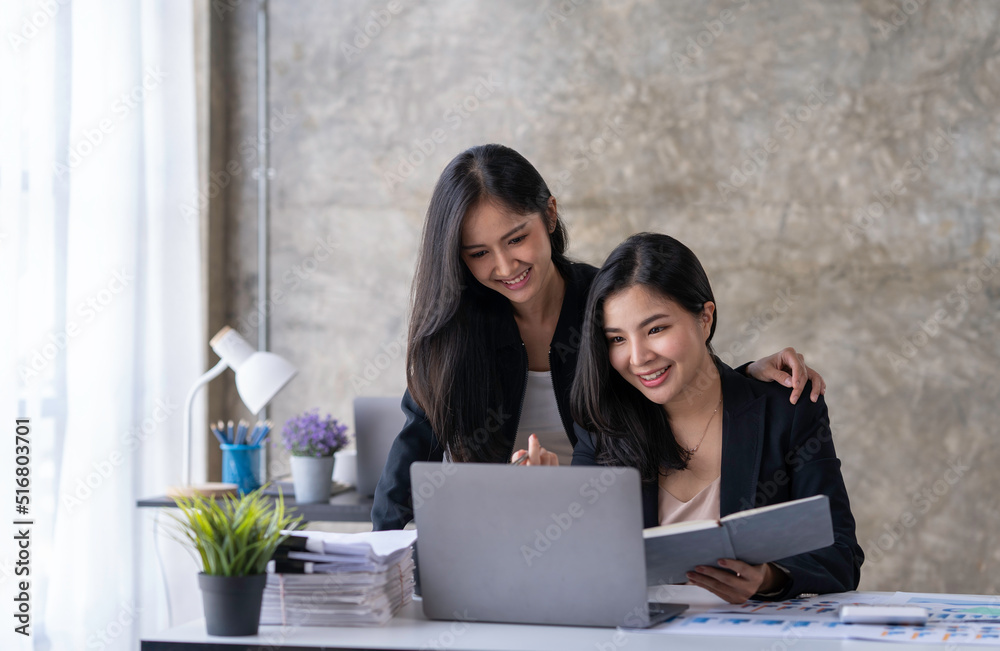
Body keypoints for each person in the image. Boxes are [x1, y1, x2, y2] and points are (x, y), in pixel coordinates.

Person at [371, 144, 826, 531]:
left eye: (516, 239)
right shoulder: (454, 335)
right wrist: (378, 564)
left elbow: (665, 371)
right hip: (503, 527)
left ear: (548, 214)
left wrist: (746, 377)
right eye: (479, 253)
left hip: (602, 521)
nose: (506, 267)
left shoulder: (603, 300)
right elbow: (412, 457)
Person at [549, 232, 862, 603]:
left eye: (655, 329)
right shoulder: (601, 425)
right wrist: (545, 504)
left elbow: (841, 553)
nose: (638, 357)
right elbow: (578, 565)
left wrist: (768, 578)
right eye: (617, 339)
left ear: (705, 318)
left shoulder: (787, 410)